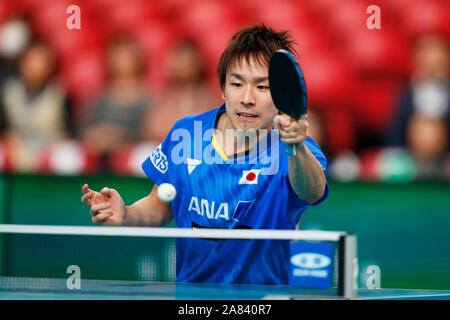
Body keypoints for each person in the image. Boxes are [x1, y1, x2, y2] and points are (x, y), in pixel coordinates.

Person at [81, 25, 329, 285]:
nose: (247, 98)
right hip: (194, 298)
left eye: (262, 87)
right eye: (237, 83)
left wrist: (296, 146)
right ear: (223, 89)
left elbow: (311, 191)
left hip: (264, 300)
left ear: (279, 93)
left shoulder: (295, 147)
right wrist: (127, 214)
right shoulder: (185, 133)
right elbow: (161, 205)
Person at [0, 39, 74, 172]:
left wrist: (49, 146)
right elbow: (5, 127)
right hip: (17, 148)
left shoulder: (60, 94)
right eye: (31, 61)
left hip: (50, 149)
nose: (35, 66)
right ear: (22, 64)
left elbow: (69, 133)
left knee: (66, 156)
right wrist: (10, 137)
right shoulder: (8, 91)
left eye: (41, 61)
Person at [80, 36, 152, 170]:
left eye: (127, 56)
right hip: (99, 156)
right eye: (118, 56)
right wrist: (95, 135)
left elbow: (149, 130)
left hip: (134, 158)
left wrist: (118, 137)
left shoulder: (148, 98)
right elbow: (84, 127)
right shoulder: (99, 98)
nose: (123, 62)